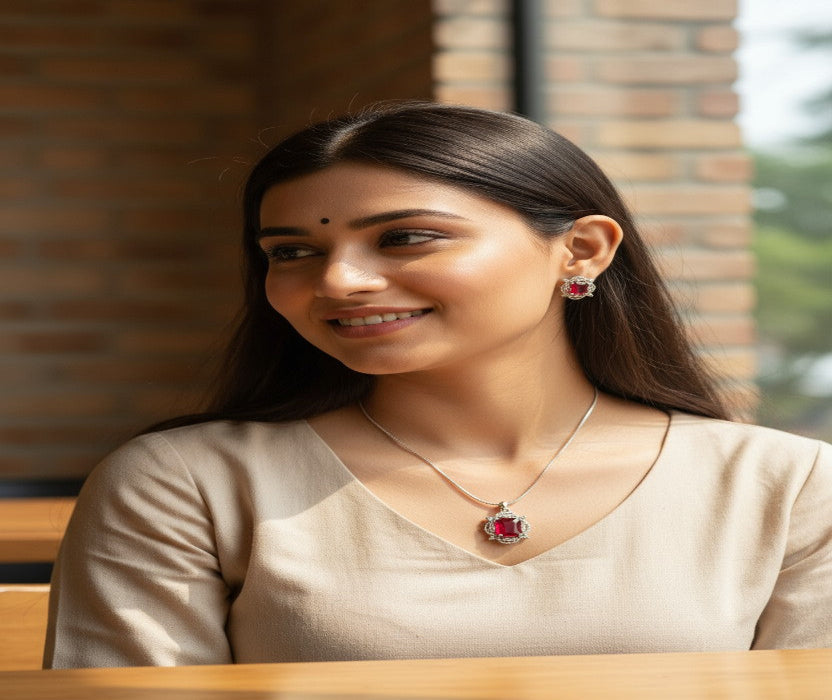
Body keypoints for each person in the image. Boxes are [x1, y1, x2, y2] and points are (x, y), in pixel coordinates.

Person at [43, 102, 832, 668]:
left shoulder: (784, 486)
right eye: (290, 253)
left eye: (407, 238)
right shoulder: (189, 483)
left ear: (582, 250)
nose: (341, 281)